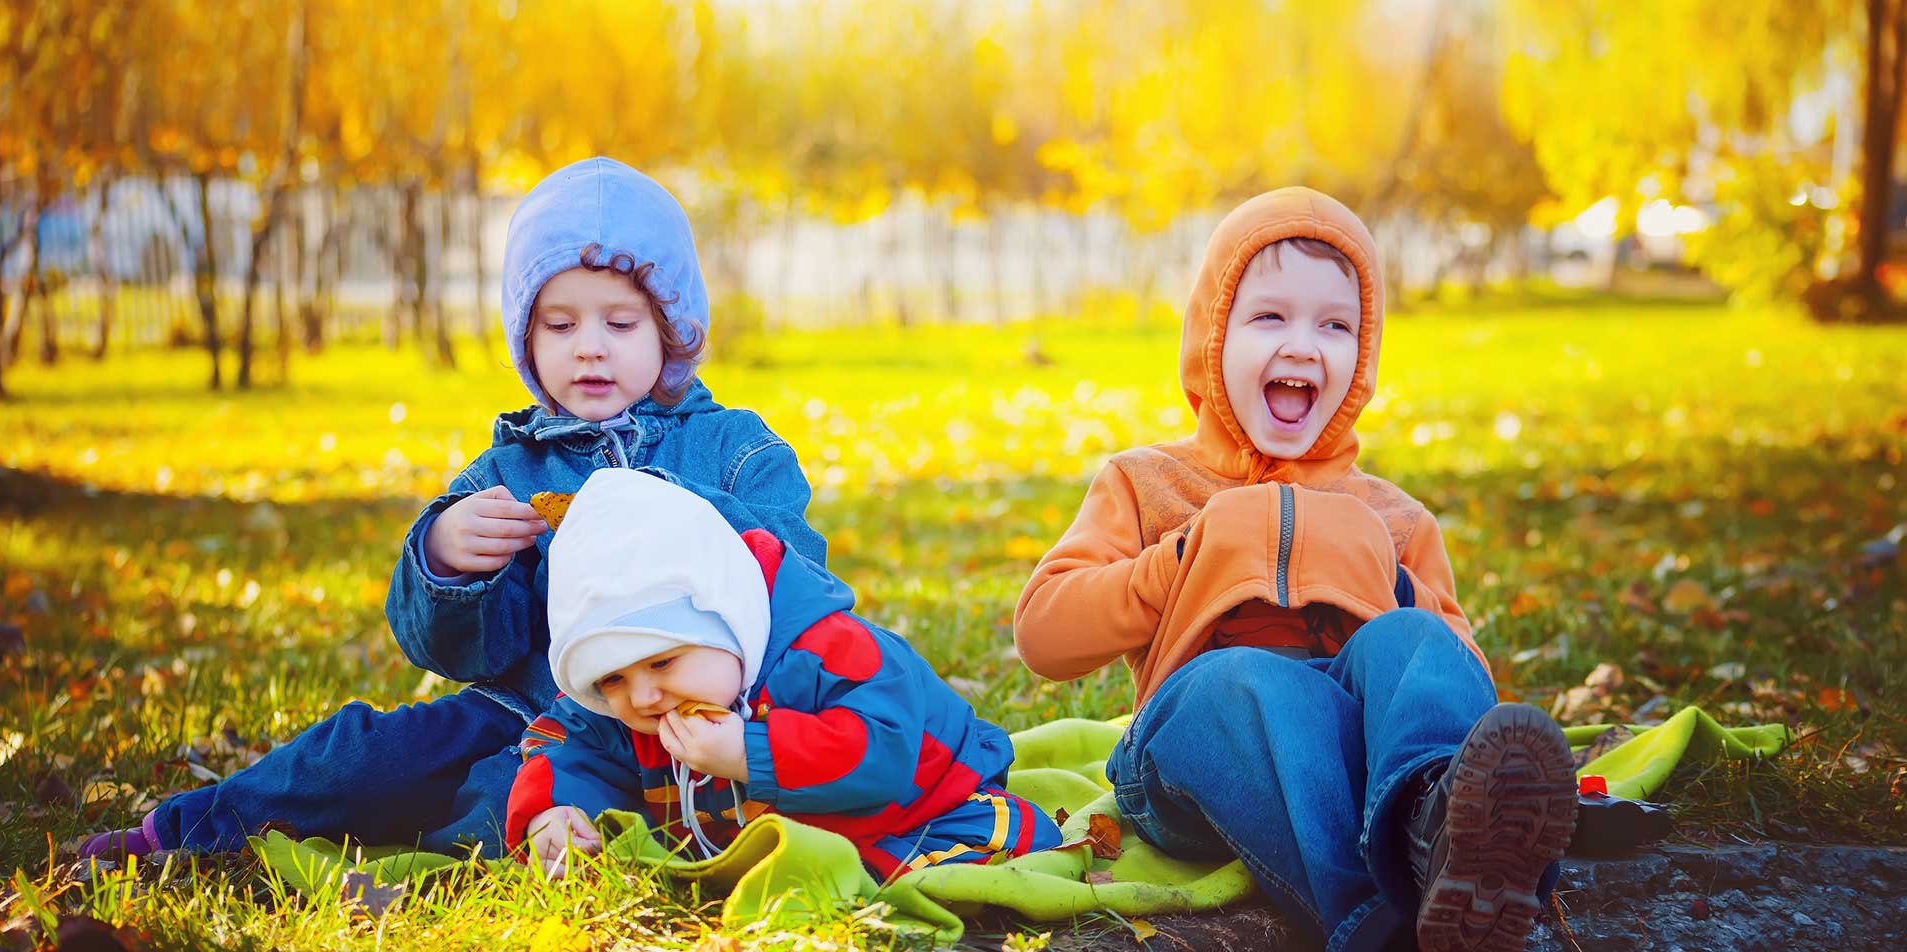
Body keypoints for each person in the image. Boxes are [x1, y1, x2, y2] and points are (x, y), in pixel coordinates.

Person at [80, 157, 825, 858]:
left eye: (620, 324)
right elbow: (452, 648)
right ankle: (184, 834)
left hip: (688, 719)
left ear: (670, 330)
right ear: (528, 341)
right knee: (366, 756)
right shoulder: (510, 471)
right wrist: (444, 561)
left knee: (499, 800)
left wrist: (666, 512)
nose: (589, 349)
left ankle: (483, 834)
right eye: (560, 326)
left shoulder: (734, 448)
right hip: (520, 706)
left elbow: (795, 576)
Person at [1012, 187, 1578, 951]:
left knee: (1411, 638)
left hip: (1361, 763)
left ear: (1364, 355)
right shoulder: (1147, 485)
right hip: (1193, 762)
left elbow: (1456, 667)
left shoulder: (1394, 517)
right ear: (1213, 336)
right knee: (1242, 681)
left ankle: (1441, 833)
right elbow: (1043, 634)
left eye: (1335, 326)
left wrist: (1390, 585)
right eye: (1270, 317)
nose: (1304, 345)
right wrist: (1178, 562)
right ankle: (1377, 921)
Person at [509, 469, 1059, 880]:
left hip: (921, 804)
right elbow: (562, 740)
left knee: (974, 857)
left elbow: (886, 754)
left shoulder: (831, 650)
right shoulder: (628, 699)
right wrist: (550, 812)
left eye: (662, 662)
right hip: (773, 833)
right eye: (611, 680)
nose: (644, 694)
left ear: (725, 621)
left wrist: (749, 754)